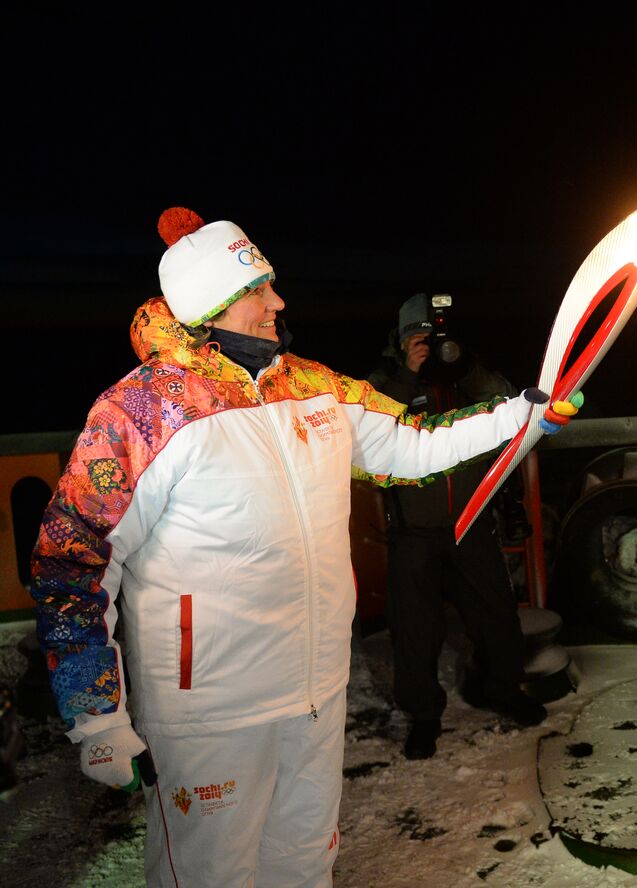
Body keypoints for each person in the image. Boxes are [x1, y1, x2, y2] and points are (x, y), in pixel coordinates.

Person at [28, 207, 580, 887]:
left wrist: (523, 414)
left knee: (305, 860)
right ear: (213, 307)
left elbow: (414, 446)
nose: (278, 302)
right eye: (259, 291)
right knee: (211, 874)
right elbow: (70, 563)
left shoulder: (314, 387)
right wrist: (96, 717)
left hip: (316, 688)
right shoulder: (140, 414)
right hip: (210, 712)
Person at [367, 294, 544, 759]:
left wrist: (463, 366)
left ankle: (503, 691)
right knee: (414, 629)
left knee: (496, 616)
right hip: (412, 529)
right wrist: (409, 373)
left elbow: (510, 405)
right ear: (403, 339)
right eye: (419, 337)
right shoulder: (385, 380)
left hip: (471, 520)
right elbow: (370, 427)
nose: (430, 345)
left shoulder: (464, 374)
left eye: (434, 336)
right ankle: (423, 716)